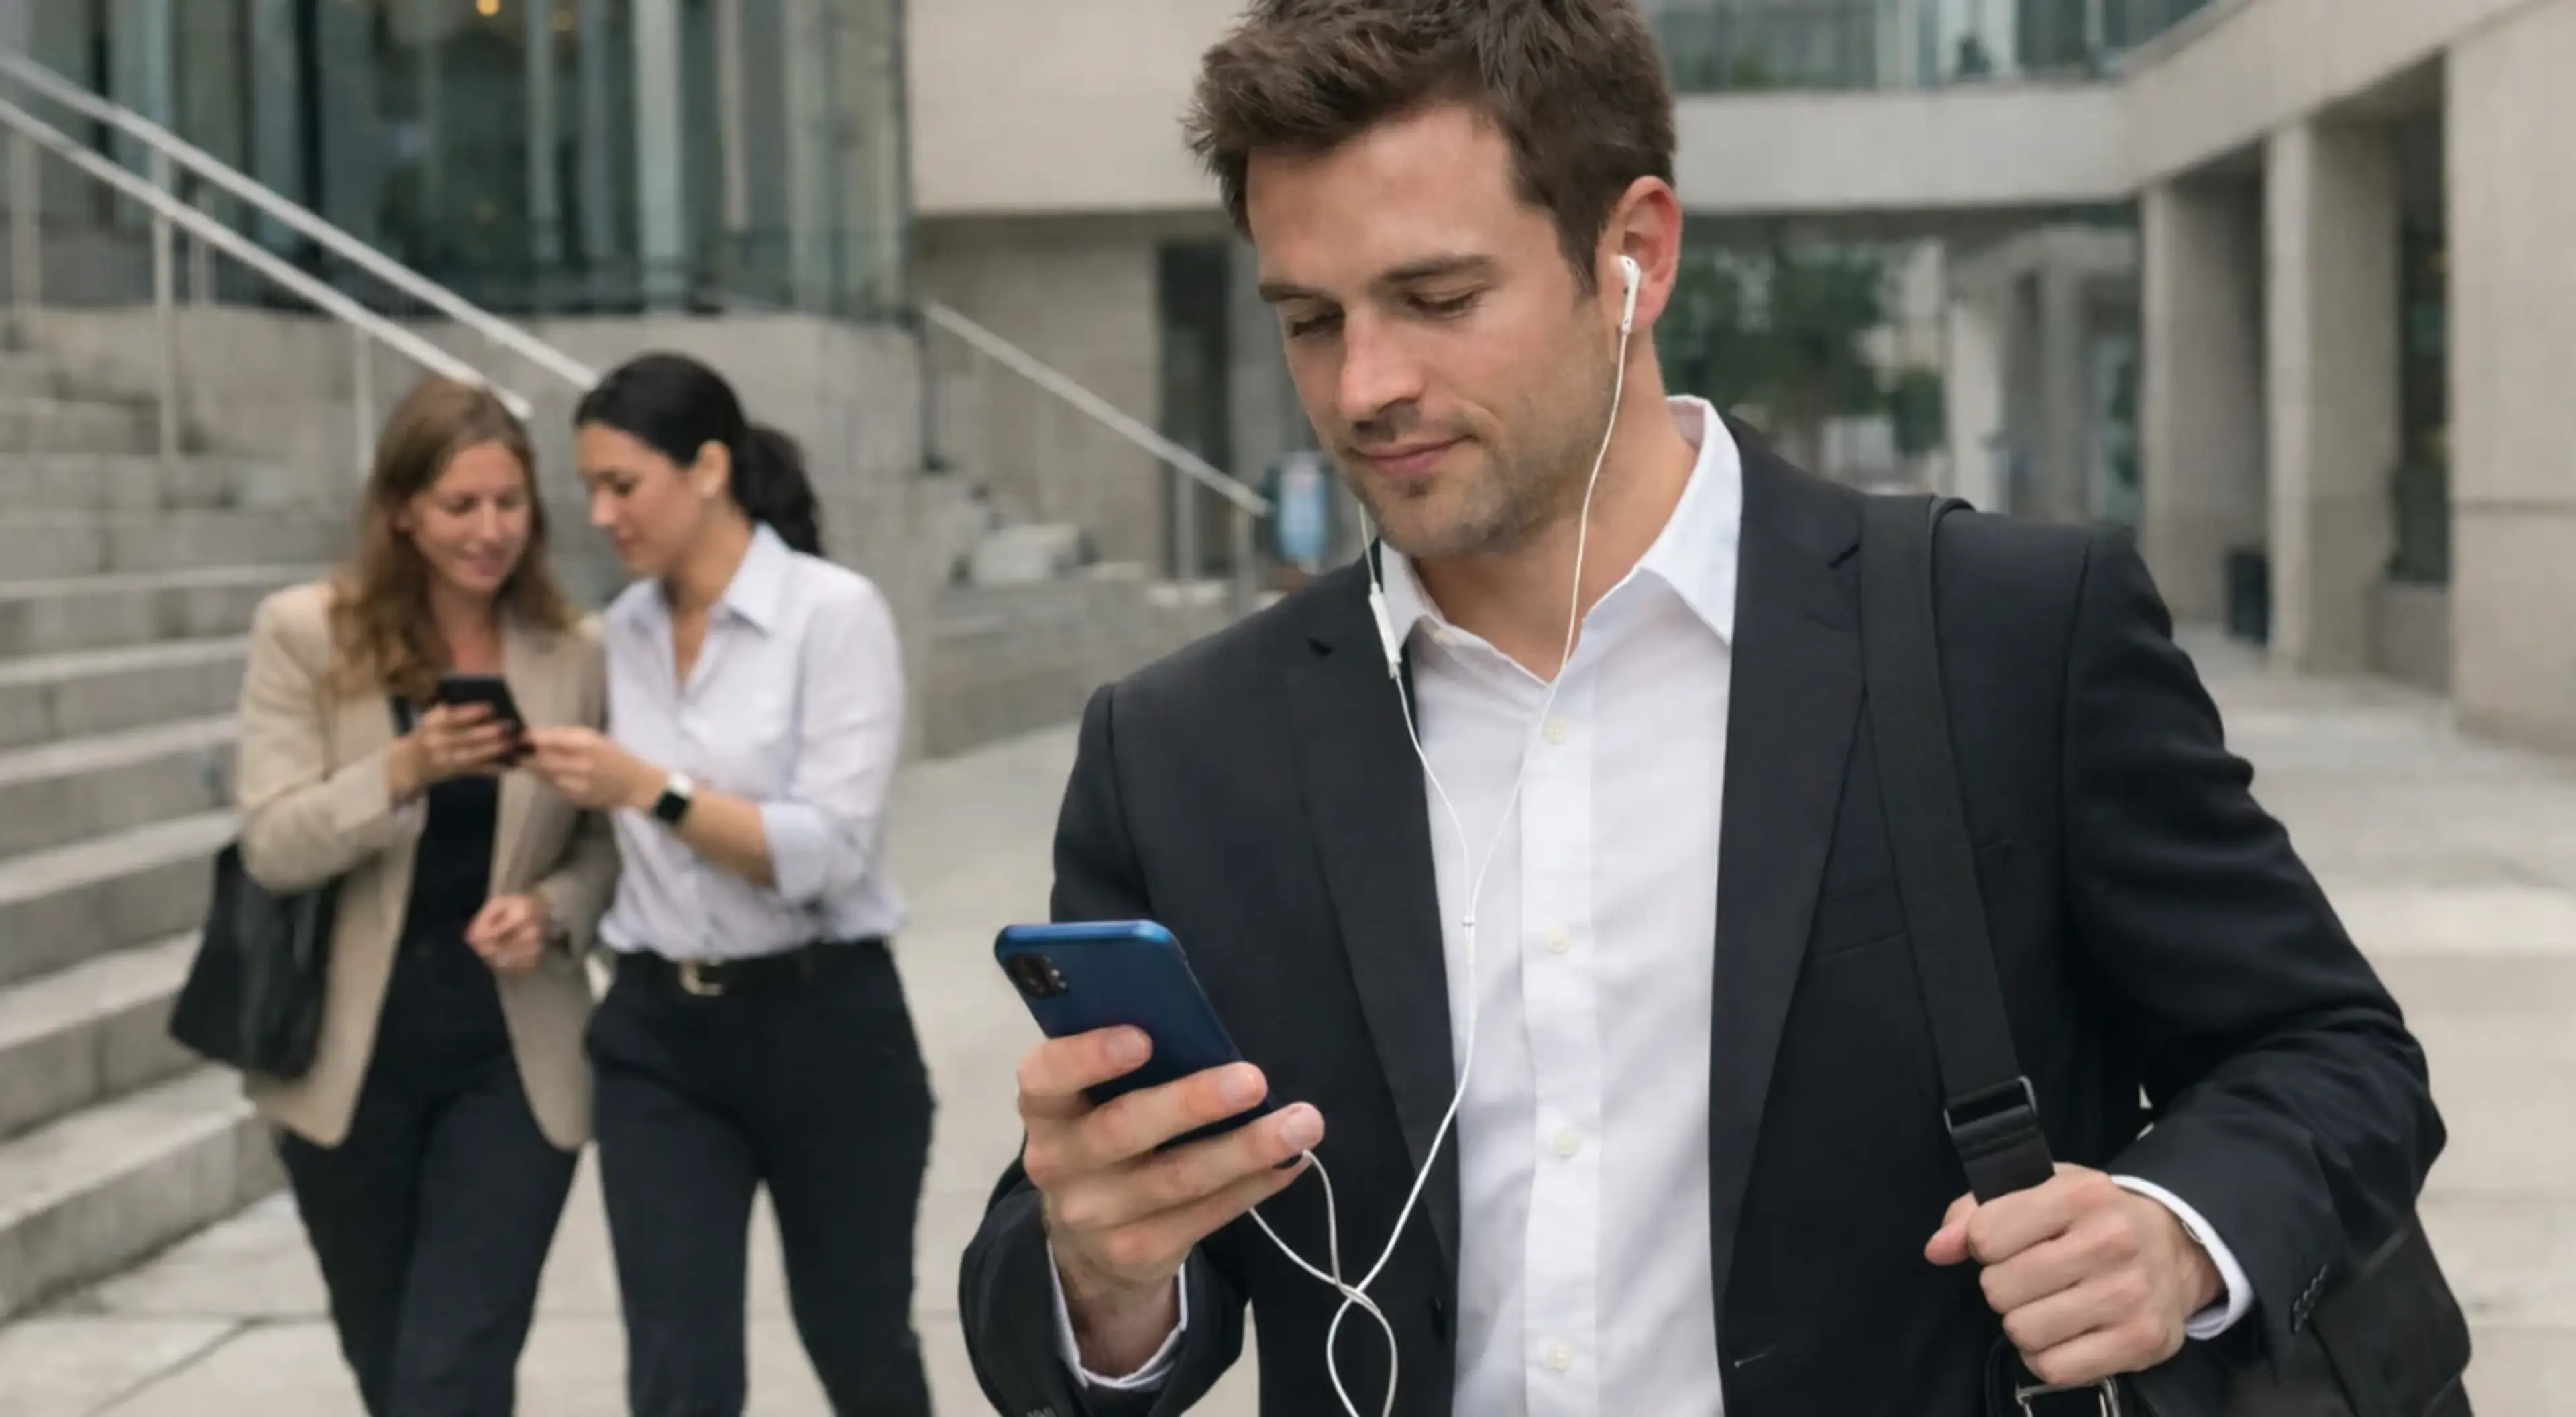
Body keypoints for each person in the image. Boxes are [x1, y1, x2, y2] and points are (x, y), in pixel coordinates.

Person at [958, 3, 2443, 1416]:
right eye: (1309, 319)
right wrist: (1104, 1271)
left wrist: (2177, 1234)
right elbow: (1061, 1297)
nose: (1366, 385)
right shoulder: (1181, 757)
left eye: (1437, 298)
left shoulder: (1997, 635)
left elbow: (2328, 1051)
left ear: (1636, 255)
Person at [521, 352, 934, 1417]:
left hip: (826, 1024)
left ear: (707, 467)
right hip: (659, 1036)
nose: (603, 514)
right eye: (591, 490)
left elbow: (827, 852)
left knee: (860, 1342)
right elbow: (605, 845)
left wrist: (649, 788)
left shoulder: (834, 614)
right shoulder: (622, 633)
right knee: (676, 1369)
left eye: (624, 484)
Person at [234, 374, 616, 1417]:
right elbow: (270, 841)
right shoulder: (307, 634)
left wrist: (554, 911)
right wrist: (403, 771)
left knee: (454, 1371)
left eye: (509, 503)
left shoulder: (574, 649)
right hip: (350, 1063)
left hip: (514, 1057)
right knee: (394, 1373)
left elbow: (602, 846)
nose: (489, 531)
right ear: (401, 507)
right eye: (460, 506)